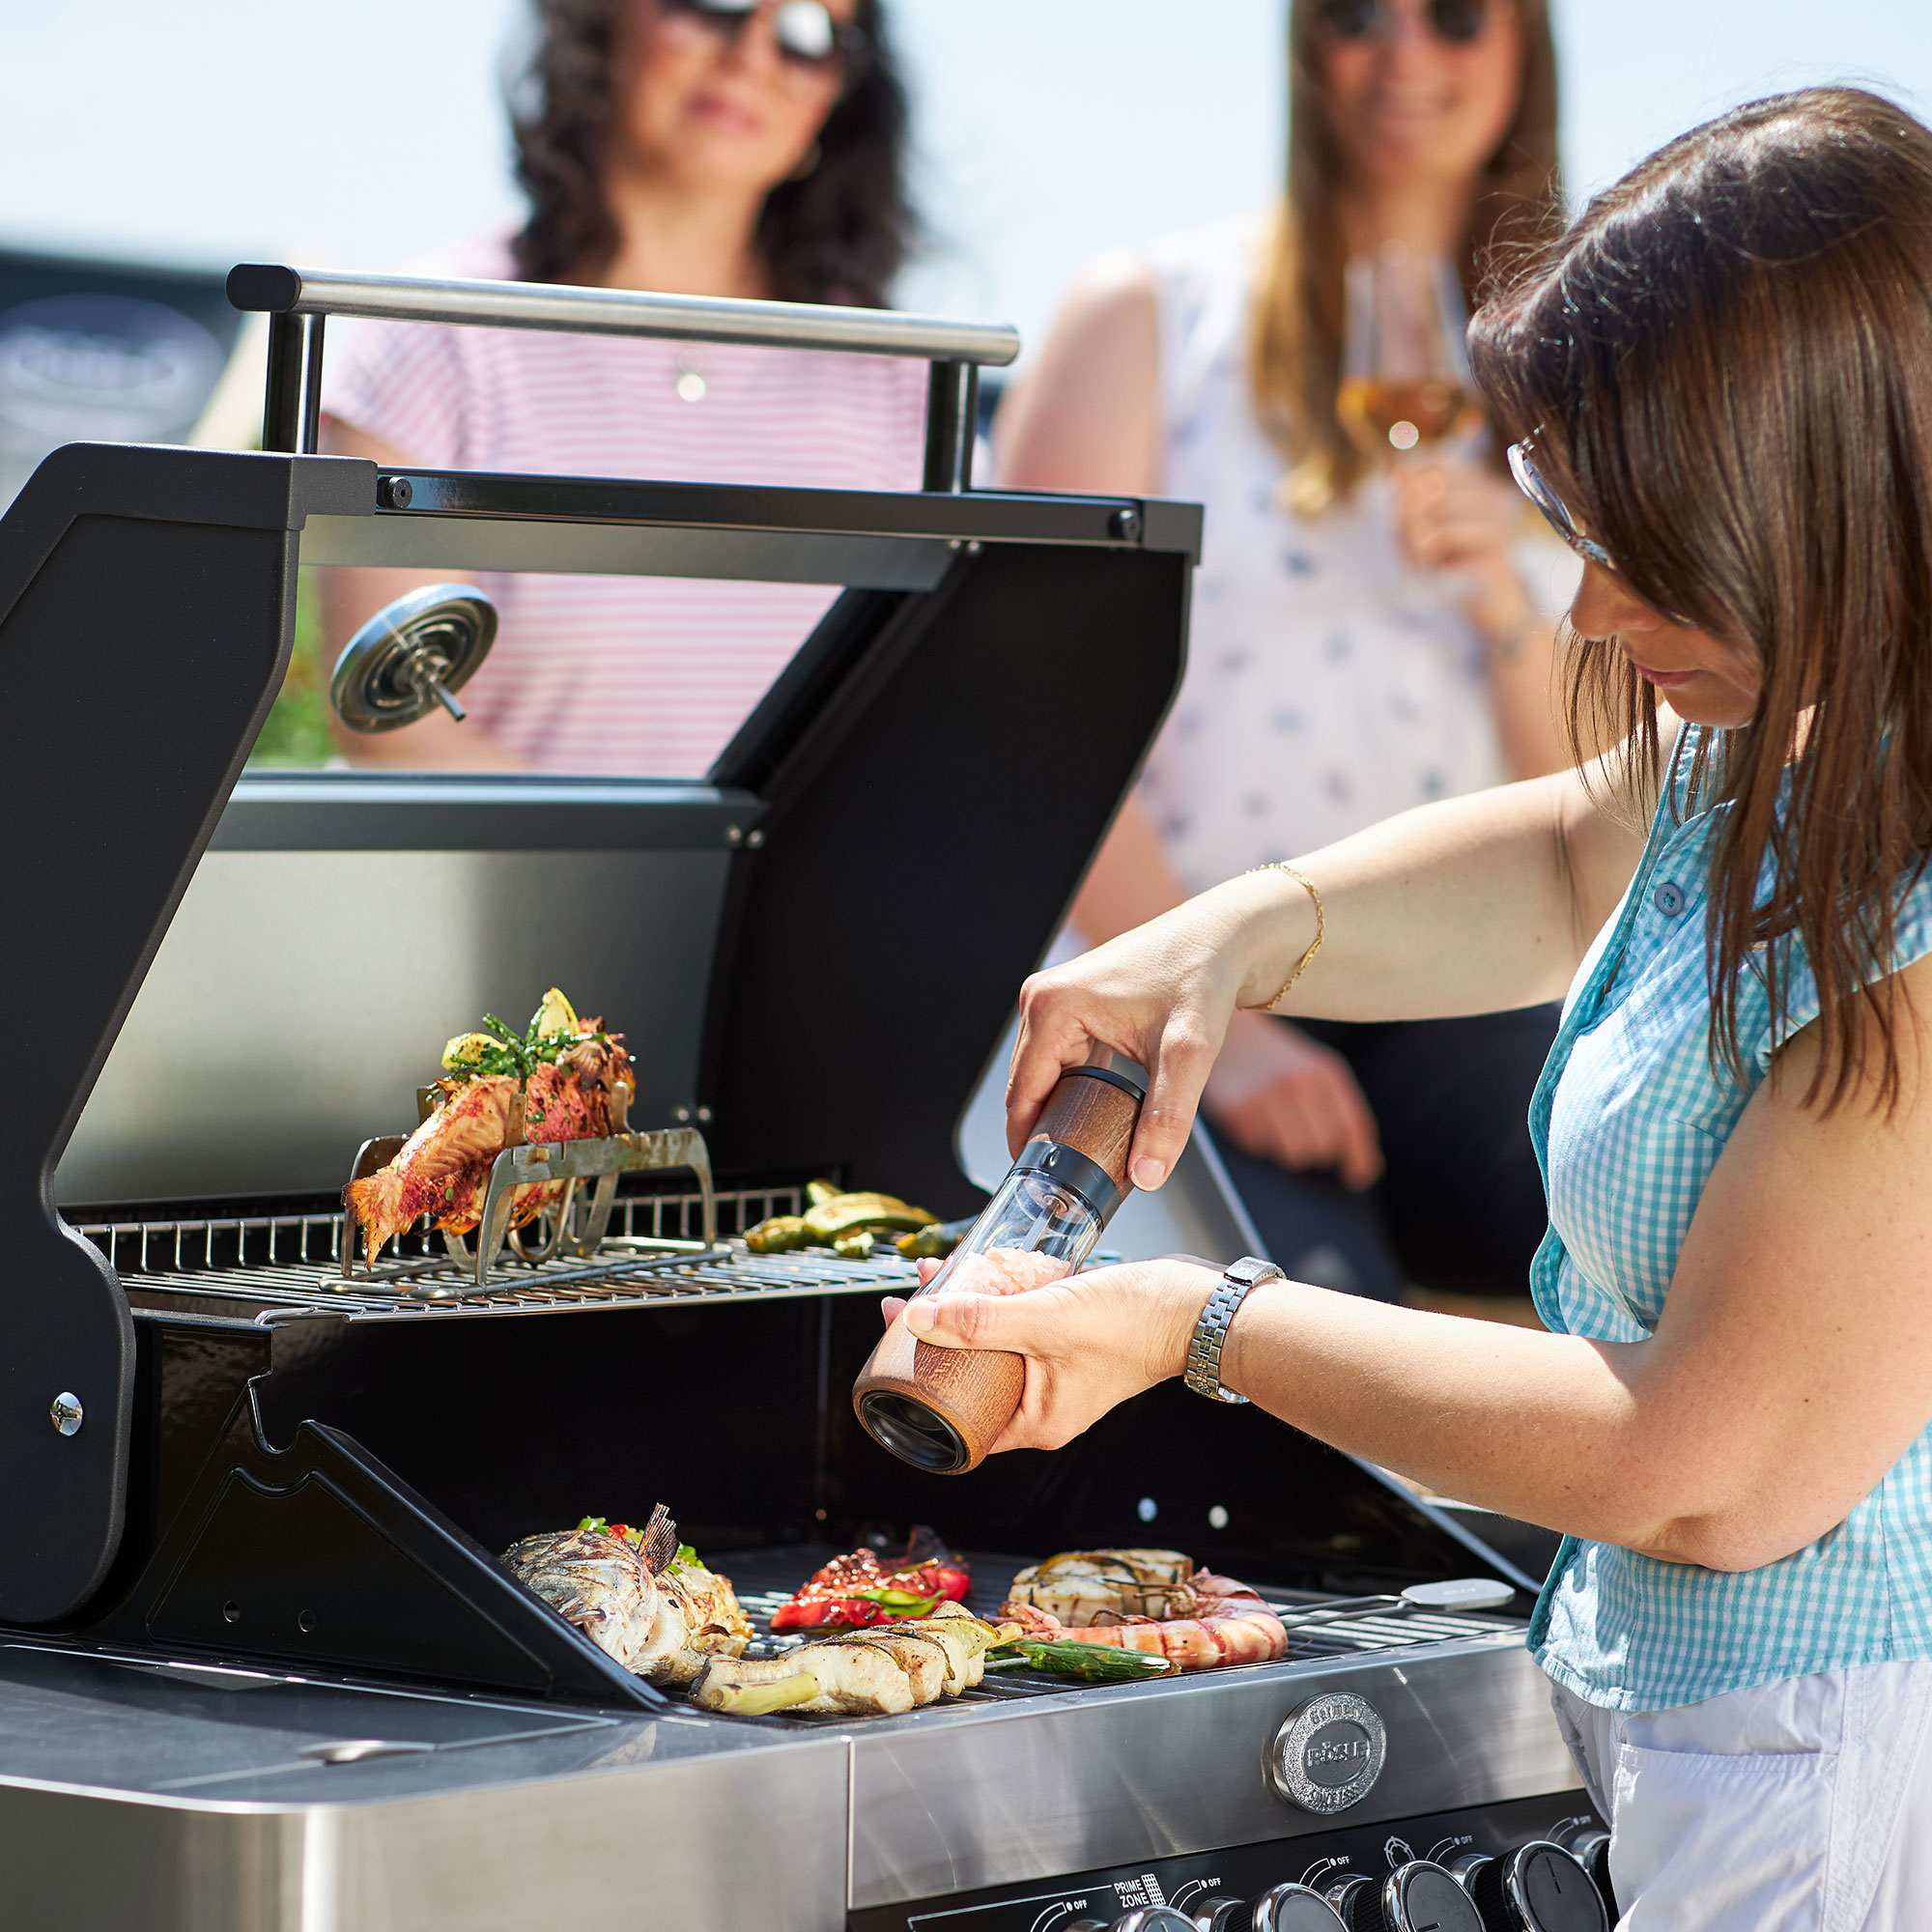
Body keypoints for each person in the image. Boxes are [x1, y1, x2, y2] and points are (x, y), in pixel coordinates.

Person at [894, 90, 1932, 1924]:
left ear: (1835, 494)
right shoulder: (1803, 738)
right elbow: (1557, 861)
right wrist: (1223, 936)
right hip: (1709, 1732)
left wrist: (1194, 1323)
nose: (1596, 609)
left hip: (1831, 1762)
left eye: (1655, 548)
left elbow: (1697, 1470)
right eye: (1578, 530)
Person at [996, 0, 1573, 1302]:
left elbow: (1603, 787)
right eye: (1360, 15)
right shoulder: (1147, 314)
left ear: (1525, 47)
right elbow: (1031, 708)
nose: (1406, 54)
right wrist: (1221, 1017)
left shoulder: (1592, 371)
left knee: (1678, 1255)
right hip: (1191, 976)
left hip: (1471, 994)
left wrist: (1503, 600)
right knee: (1303, 1333)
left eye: (1460, 18)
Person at [319, 0, 927, 777]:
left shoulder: (898, 374)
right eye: (718, 5)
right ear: (600, 22)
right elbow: (391, 728)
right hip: (500, 895)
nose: (753, 56)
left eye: (809, 36)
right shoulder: (432, 329)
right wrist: (658, 891)